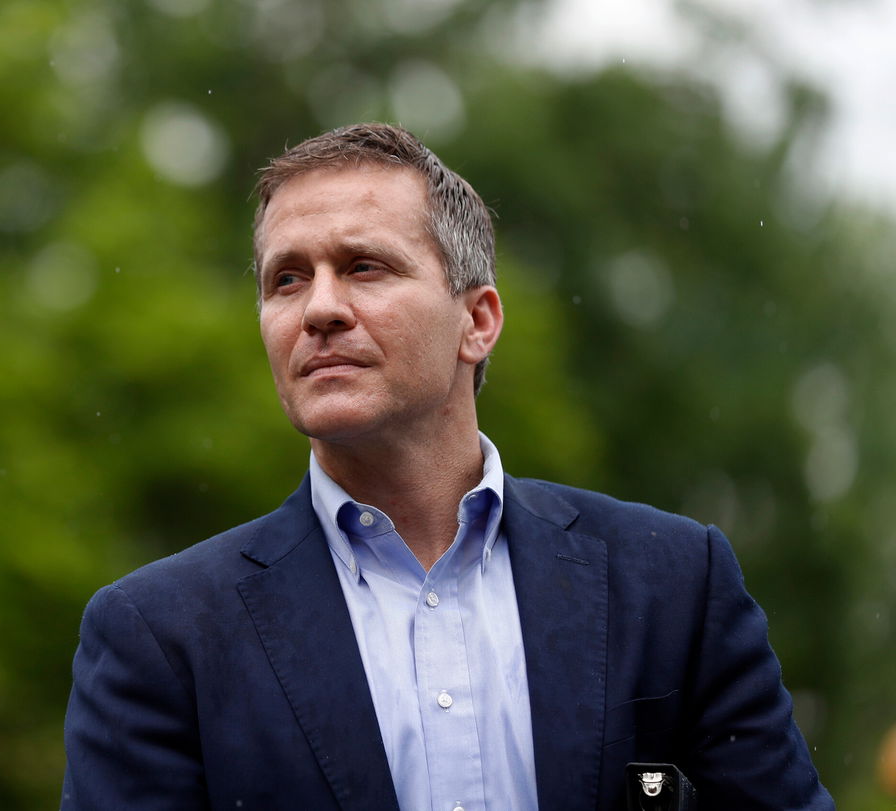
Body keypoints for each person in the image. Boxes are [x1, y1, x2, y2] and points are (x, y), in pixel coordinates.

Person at [61, 123, 833, 810]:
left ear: (478, 321)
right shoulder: (159, 636)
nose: (318, 308)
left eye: (364, 267)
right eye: (286, 279)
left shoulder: (673, 584)